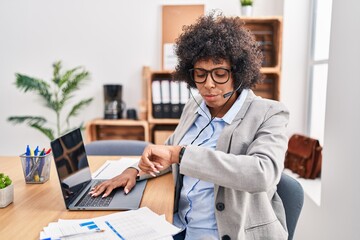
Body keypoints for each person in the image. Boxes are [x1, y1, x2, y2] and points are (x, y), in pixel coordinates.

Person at [90, 12, 289, 240]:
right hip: (180, 226)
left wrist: (180, 155)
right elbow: (170, 149)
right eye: (200, 74)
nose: (209, 84)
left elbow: (262, 173)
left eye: (220, 73)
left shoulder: (270, 113)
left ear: (239, 73)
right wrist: (134, 170)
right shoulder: (194, 108)